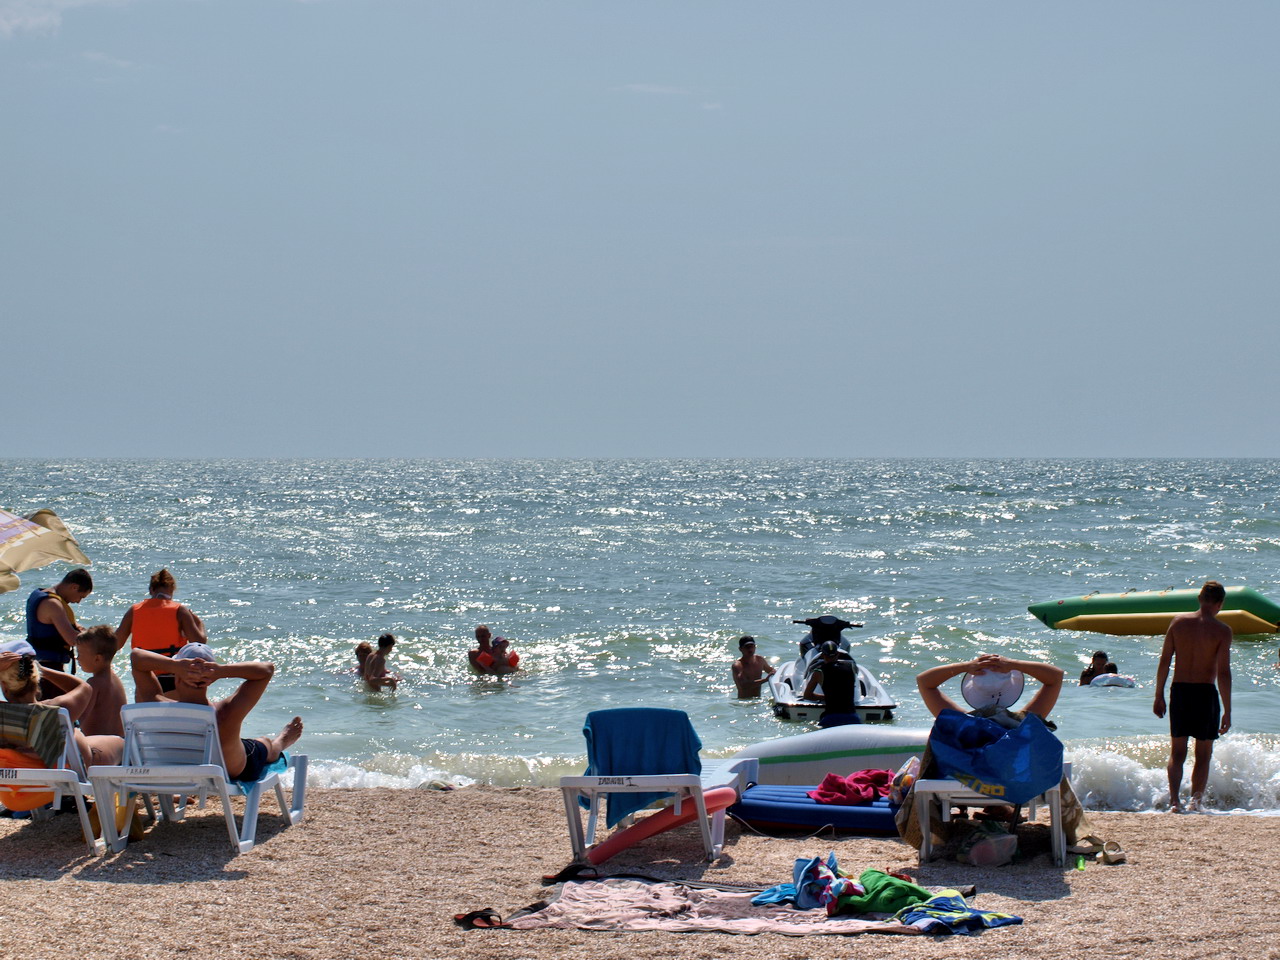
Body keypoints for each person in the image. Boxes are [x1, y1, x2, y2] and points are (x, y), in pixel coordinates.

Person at [131, 643, 302, 784]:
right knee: (264, 744)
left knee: (246, 742)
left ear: (177, 675)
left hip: (172, 765)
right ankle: (279, 743)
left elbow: (136, 657)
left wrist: (174, 665)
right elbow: (266, 670)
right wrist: (220, 671)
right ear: (210, 681)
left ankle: (278, 742)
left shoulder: (154, 705)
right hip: (227, 770)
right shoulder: (224, 712)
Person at [1153, 579, 1232, 813]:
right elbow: (1224, 673)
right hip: (1205, 693)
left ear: (1200, 599)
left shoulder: (1178, 623)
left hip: (1180, 691)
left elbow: (1164, 661)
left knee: (1177, 752)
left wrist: (1158, 695)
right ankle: (1195, 801)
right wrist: (1228, 709)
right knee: (1203, 754)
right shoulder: (1222, 631)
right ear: (1220, 603)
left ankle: (1175, 801)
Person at [0, 638, 124, 768]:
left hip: (21, 780)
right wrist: (43, 670)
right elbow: (84, 688)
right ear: (35, 679)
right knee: (120, 744)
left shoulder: (5, 718)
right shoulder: (57, 710)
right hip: (66, 775)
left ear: (5, 686)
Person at [116, 568, 208, 694]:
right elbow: (199, 643)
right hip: (173, 678)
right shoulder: (179, 610)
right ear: (172, 590)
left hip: (145, 677)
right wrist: (199, 623)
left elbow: (116, 644)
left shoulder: (134, 611)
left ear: (151, 590)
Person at [25, 568, 93, 693]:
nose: (78, 601)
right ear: (74, 587)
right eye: (80, 596)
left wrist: (76, 626)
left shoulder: (40, 594)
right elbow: (72, 640)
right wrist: (95, 637)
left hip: (35, 664)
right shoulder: (53, 604)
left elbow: (52, 623)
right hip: (47, 668)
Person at [75, 625, 126, 738]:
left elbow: (80, 716)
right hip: (118, 746)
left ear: (97, 658)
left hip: (98, 747)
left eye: (79, 654)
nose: (77, 658)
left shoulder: (94, 683)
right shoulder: (116, 680)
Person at [801, 641, 859, 726]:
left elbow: (807, 695)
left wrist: (826, 697)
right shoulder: (851, 667)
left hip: (831, 718)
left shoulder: (819, 672)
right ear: (838, 654)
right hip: (853, 718)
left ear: (822, 655)